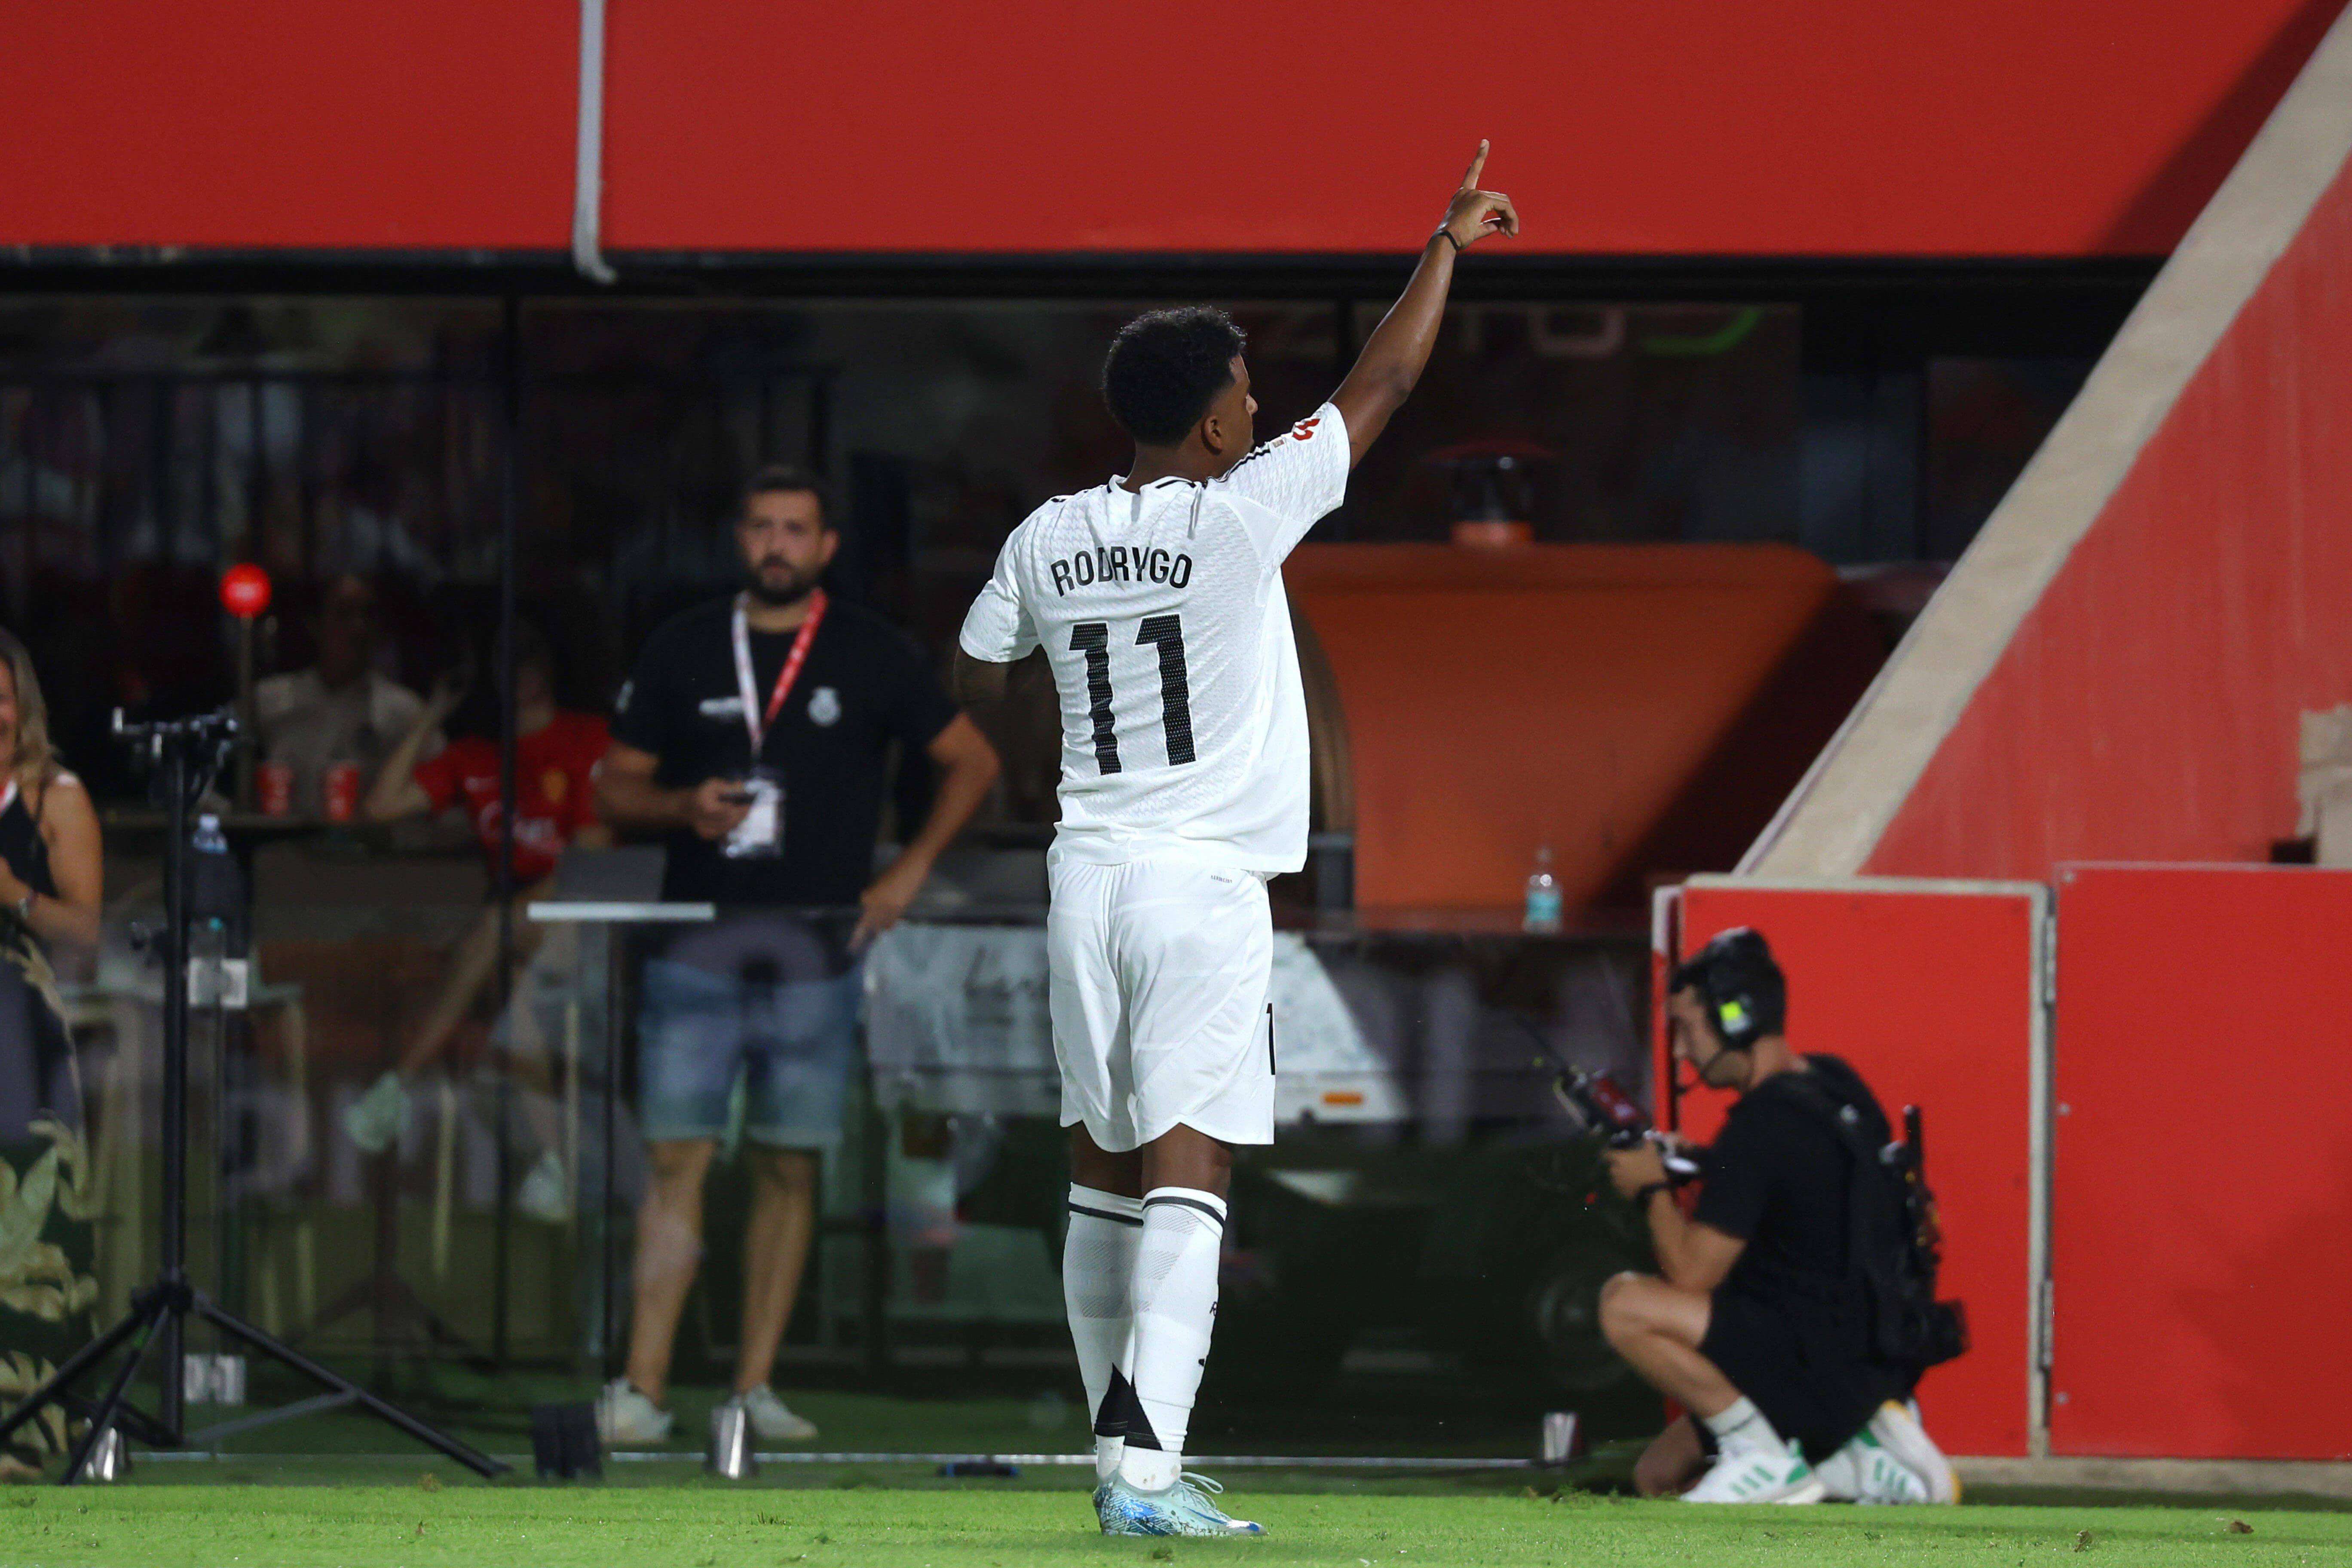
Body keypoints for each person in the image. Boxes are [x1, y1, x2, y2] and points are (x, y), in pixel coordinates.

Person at [949, 144, 1519, 1537]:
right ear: (1213, 430)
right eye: (1249, 400)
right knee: (1190, 1171)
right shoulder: (1241, 516)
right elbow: (1382, 384)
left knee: (1099, 1168)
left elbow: (972, 667)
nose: (1262, 413)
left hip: (1083, 873)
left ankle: (1118, 1453)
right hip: (1200, 887)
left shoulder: (1046, 535)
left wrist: (1046, 744)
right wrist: (1441, 245)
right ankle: (1148, 1475)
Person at [593, 466, 1000, 1445]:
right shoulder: (686, 646)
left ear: (824, 547)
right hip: (697, 939)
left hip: (819, 948)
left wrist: (904, 876)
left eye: (796, 529)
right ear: (741, 539)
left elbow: (973, 760)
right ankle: (641, 1391)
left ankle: (752, 1390)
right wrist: (679, 805)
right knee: (674, 1157)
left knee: (788, 1162)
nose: (777, 543)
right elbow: (615, 787)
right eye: (762, 526)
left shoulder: (868, 649)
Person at [1597, 928, 1958, 1504]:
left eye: (1688, 1030)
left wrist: (1653, 1192)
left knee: (1624, 1305)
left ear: (1737, 1021)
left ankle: (1764, 1456)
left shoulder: (1761, 1126)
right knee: (1657, 1477)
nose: (1681, 1051)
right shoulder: (1833, 1083)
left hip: (1808, 1365)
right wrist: (1704, 1165)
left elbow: (1691, 1274)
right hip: (1868, 1353)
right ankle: (1847, 1459)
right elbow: (1804, 1188)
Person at [343, 622, 612, 1222]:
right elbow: (382, 807)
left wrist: (521, 910)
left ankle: (397, 1087)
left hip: (579, 914)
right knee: (519, 1031)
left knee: (495, 933)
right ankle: (561, 1165)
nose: (518, 673)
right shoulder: (475, 755)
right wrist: (430, 715)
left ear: (549, 665)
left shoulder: (585, 738)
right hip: (514, 923)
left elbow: (591, 853)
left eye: (528, 657)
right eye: (504, 660)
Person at [0, 628, 104, 1476]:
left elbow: (86, 937)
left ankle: (27, 1435)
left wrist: (11, 893)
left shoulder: (53, 798)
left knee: (30, 1230)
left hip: (20, 1038)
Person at [253, 573, 435, 818]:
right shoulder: (270, 700)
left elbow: (438, 787)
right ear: (315, 623)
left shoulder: (403, 709)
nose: (358, 627)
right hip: (279, 847)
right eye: (344, 613)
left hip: (369, 850)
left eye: (367, 615)